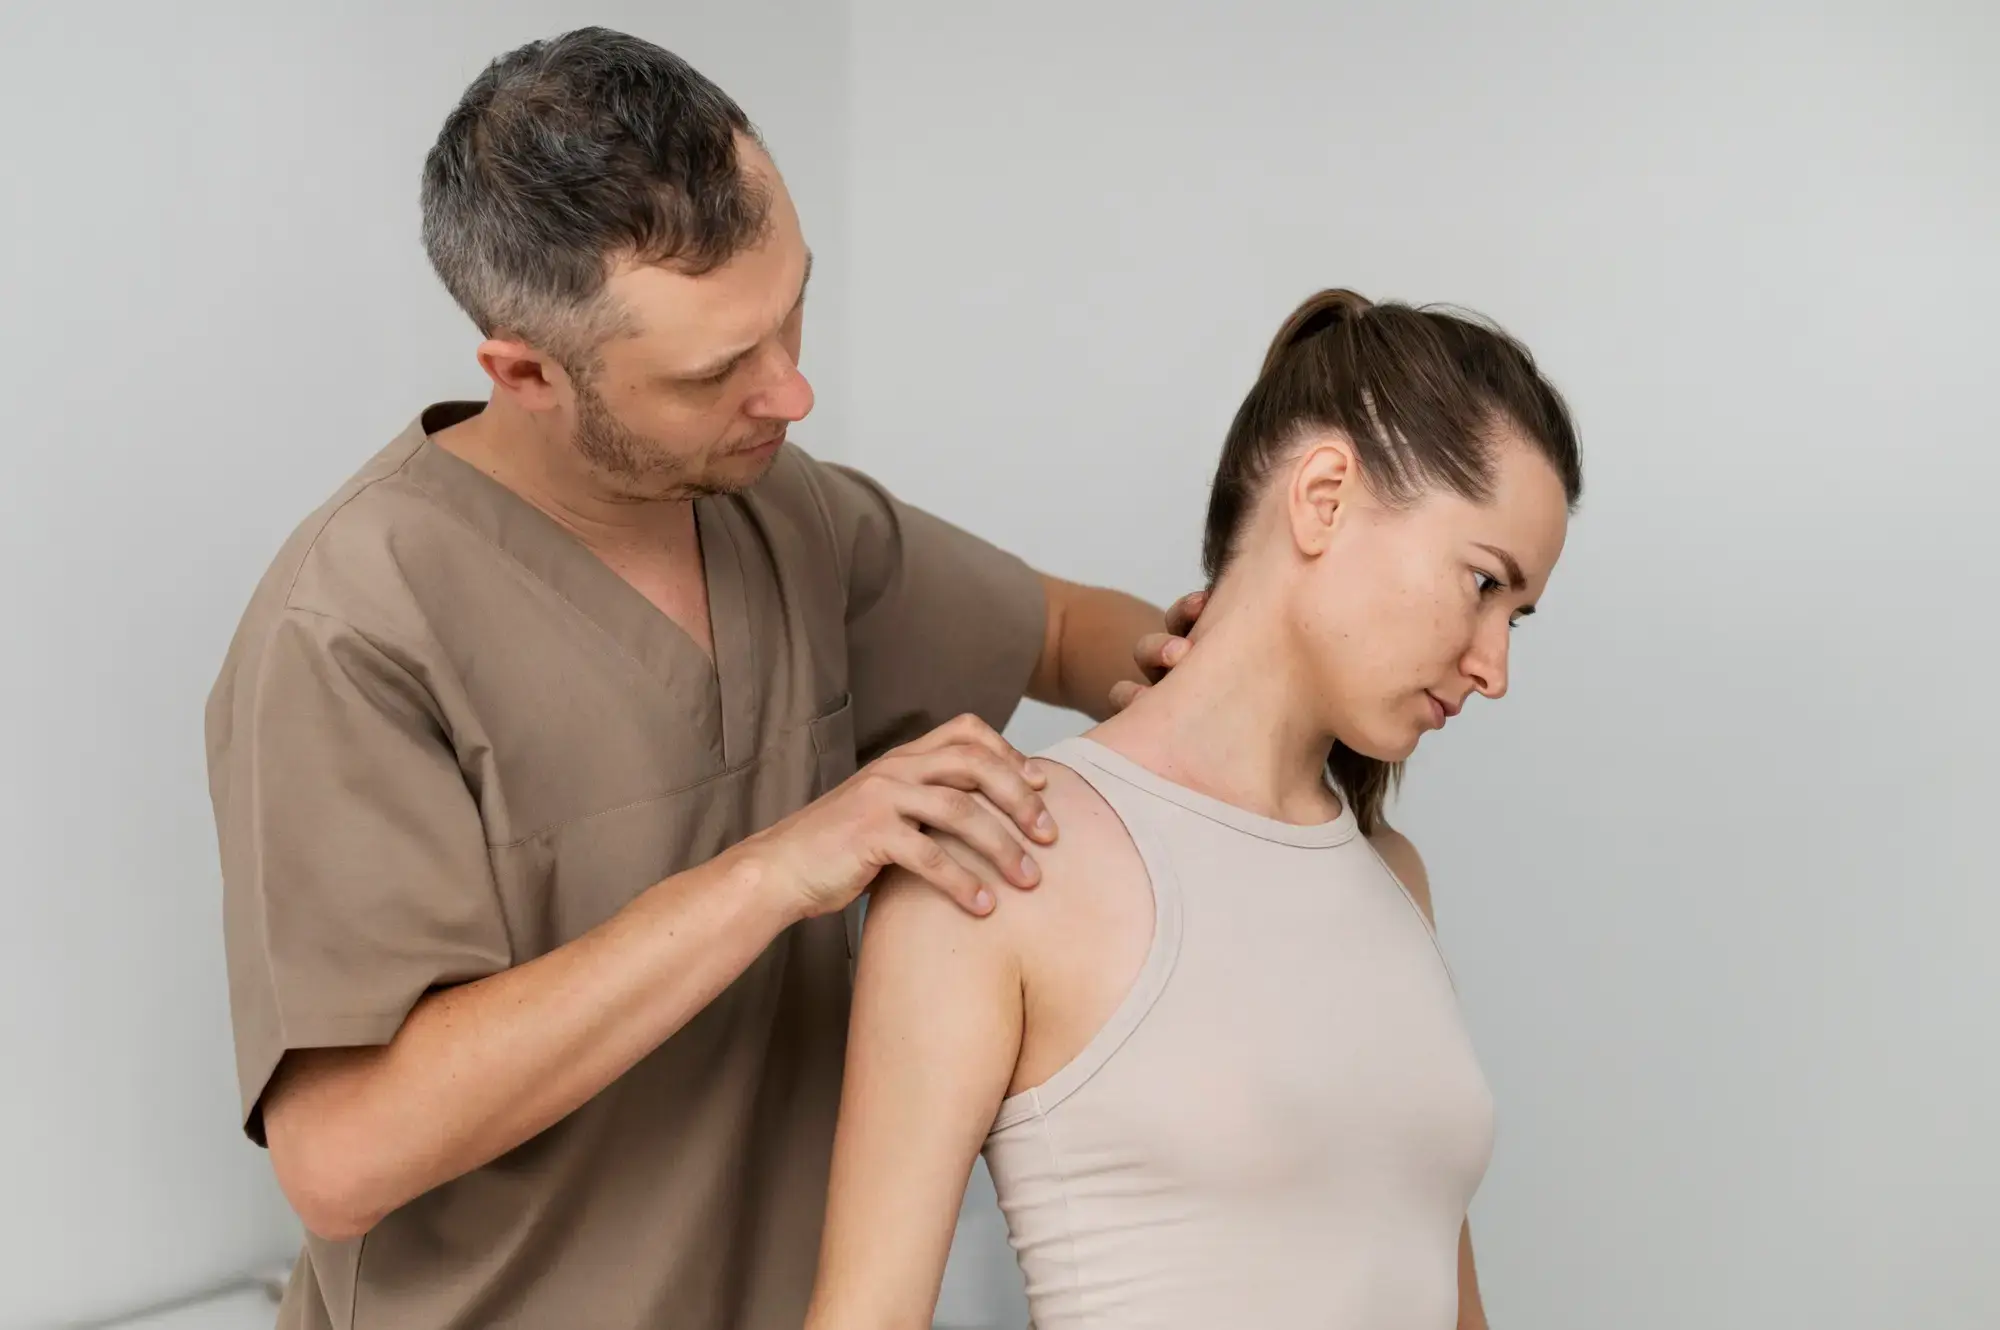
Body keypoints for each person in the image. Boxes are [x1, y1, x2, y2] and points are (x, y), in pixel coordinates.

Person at [204, 28, 1198, 1330]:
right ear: (525, 373)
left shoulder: (782, 513)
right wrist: (772, 872)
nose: (791, 389)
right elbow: (339, 1154)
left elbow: (1063, 627)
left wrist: (1217, 661)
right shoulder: (351, 627)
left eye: (790, 308)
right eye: (717, 368)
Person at [807, 288, 1585, 1330]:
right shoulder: (1005, 854)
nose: (1491, 665)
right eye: (1481, 582)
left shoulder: (1391, 880)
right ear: (1322, 496)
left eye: (1515, 616)